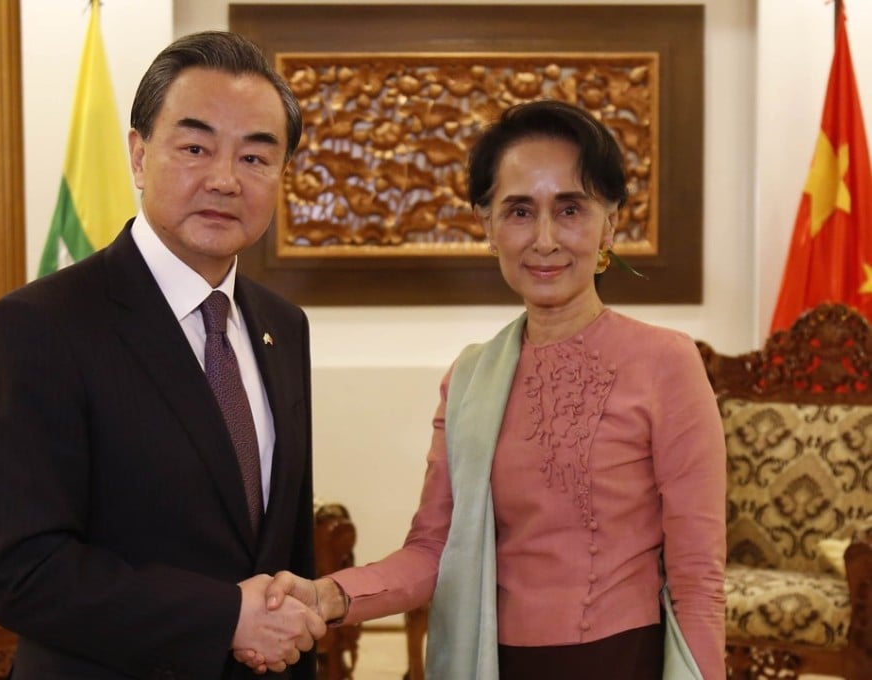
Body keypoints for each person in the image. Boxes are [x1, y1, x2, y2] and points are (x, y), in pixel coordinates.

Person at [253, 100, 727, 679]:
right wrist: (328, 595)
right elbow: (433, 551)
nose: (546, 239)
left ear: (611, 222)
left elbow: (699, 580)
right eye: (520, 211)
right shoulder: (471, 378)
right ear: (487, 226)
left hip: (621, 661)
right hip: (492, 665)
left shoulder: (666, 362)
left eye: (571, 209)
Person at [0, 31, 325, 679]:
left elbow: (282, 552)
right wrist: (223, 615)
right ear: (138, 155)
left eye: (255, 158)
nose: (223, 179)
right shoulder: (36, 327)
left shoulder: (283, 326)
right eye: (194, 148)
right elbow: (23, 571)